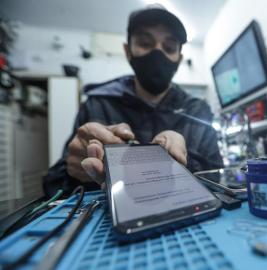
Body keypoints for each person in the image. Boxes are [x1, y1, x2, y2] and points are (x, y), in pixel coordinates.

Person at [43, 6, 223, 197]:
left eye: (169, 48)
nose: (157, 53)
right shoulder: (97, 105)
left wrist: (179, 161)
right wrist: (74, 170)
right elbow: (53, 186)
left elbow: (216, 178)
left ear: (179, 59)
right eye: (145, 43)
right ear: (128, 51)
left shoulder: (197, 110)